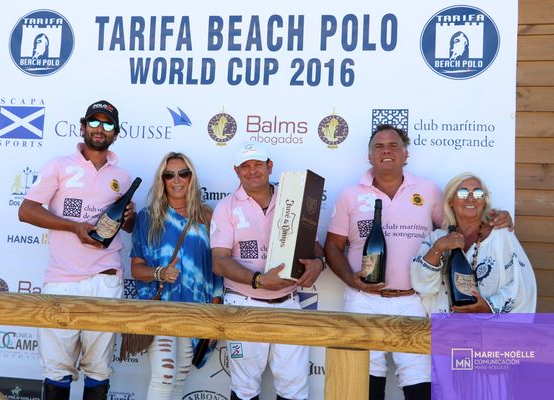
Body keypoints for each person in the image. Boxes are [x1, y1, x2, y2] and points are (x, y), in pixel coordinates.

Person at [324, 124, 512, 400]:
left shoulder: (428, 190)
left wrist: (496, 218)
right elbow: (332, 247)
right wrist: (351, 279)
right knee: (364, 381)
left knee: (419, 379)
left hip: (414, 300)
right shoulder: (350, 194)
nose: (386, 151)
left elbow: (458, 228)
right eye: (378, 146)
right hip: (362, 300)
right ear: (369, 156)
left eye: (393, 146)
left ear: (406, 154)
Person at [19, 100, 135, 400]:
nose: (100, 129)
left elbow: (127, 228)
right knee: (57, 369)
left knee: (98, 369)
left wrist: (130, 219)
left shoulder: (121, 176)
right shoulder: (59, 166)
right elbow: (27, 211)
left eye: (108, 124)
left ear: (116, 133)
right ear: (82, 126)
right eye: (94, 122)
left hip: (106, 278)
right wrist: (74, 227)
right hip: (62, 279)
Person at [211, 142, 325, 400]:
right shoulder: (226, 207)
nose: (252, 171)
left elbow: (315, 247)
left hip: (289, 304)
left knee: (294, 389)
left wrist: (319, 262)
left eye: (258, 165)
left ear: (269, 166)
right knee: (245, 388)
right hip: (243, 305)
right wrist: (259, 280)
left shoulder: (292, 199)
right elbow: (219, 261)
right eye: (245, 166)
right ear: (236, 171)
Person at [130, 152, 223, 400]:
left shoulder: (207, 216)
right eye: (169, 175)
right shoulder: (147, 217)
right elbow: (136, 269)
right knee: (165, 375)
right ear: (162, 179)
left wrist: (215, 309)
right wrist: (160, 272)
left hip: (196, 309)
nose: (177, 180)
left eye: (183, 173)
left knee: (181, 374)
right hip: (160, 309)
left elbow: (218, 267)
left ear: (192, 177)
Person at [410, 172, 537, 314]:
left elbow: (522, 283)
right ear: (451, 201)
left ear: (484, 201)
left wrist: (489, 307)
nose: (471, 198)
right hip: (448, 330)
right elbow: (422, 285)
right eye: (463, 193)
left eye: (478, 193)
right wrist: (440, 247)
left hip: (490, 330)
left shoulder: (500, 235)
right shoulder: (436, 238)